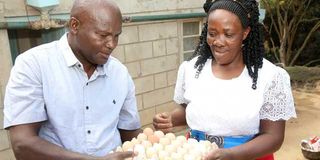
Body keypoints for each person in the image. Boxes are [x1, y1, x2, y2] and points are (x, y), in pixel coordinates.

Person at [153, 0, 296, 160]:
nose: (218, 42)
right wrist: (170, 119)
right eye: (212, 33)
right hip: (195, 154)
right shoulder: (192, 69)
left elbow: (273, 137)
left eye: (228, 34)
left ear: (245, 33)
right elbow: (190, 110)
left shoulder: (269, 76)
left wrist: (231, 154)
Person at [3, 0, 141, 159]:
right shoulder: (33, 65)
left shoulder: (120, 73)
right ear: (75, 26)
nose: (111, 44)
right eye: (102, 35)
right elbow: (22, 144)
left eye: (116, 36)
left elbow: (129, 133)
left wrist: (158, 142)